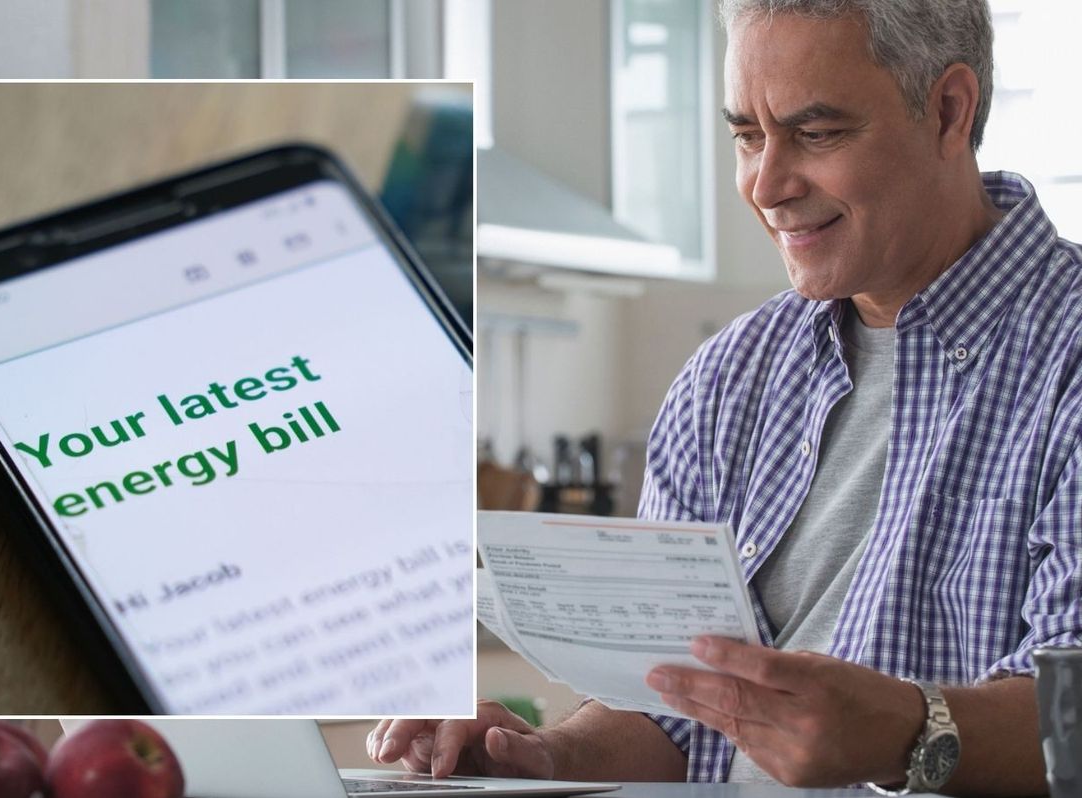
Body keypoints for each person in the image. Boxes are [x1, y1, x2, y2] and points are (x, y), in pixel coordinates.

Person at [370, 0, 1080, 793]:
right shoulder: (728, 377)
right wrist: (541, 759)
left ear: (949, 110)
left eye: (817, 133)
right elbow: (673, 710)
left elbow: (1075, 712)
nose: (766, 185)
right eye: (747, 136)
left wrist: (908, 731)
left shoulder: (1069, 356)